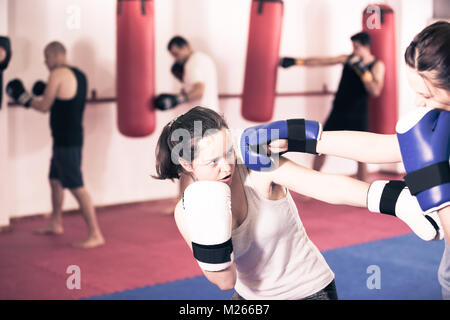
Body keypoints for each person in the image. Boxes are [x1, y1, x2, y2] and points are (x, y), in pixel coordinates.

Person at [153, 106, 440, 300]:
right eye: (211, 161)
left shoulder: (254, 166)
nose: (226, 166)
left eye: (228, 152)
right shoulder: (187, 212)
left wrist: (395, 200)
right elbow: (224, 281)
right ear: (187, 163)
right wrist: (214, 237)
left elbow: (321, 185)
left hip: (308, 291)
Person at [272, 21, 450, 299]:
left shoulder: (374, 66)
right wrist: (297, 138)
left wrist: (436, 182)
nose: (418, 102)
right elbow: (386, 146)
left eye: (425, 94)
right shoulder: (441, 121)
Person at [6, 41, 104, 249]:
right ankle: (56, 222)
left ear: (55, 55)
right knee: (54, 180)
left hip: (67, 141)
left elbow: (43, 107)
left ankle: (95, 234)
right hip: (69, 136)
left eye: (46, 58)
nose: (45, 63)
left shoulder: (57, 74)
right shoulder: (80, 74)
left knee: (77, 187)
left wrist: (22, 97)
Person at [280, 32, 385, 182]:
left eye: (356, 47)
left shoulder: (377, 65)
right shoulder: (348, 59)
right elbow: (323, 61)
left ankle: (365, 190)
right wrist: (298, 62)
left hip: (358, 113)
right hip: (339, 110)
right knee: (320, 145)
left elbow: (375, 90)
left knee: (361, 154)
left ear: (365, 46)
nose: (353, 50)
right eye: (353, 47)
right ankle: (311, 183)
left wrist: (363, 71)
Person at [154, 35, 220, 214]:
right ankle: (188, 203)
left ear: (185, 47)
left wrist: (177, 98)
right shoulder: (204, 59)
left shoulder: (192, 64)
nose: (176, 59)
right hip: (211, 117)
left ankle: (184, 204)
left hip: (197, 122)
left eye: (176, 54)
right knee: (204, 163)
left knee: (187, 163)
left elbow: (199, 90)